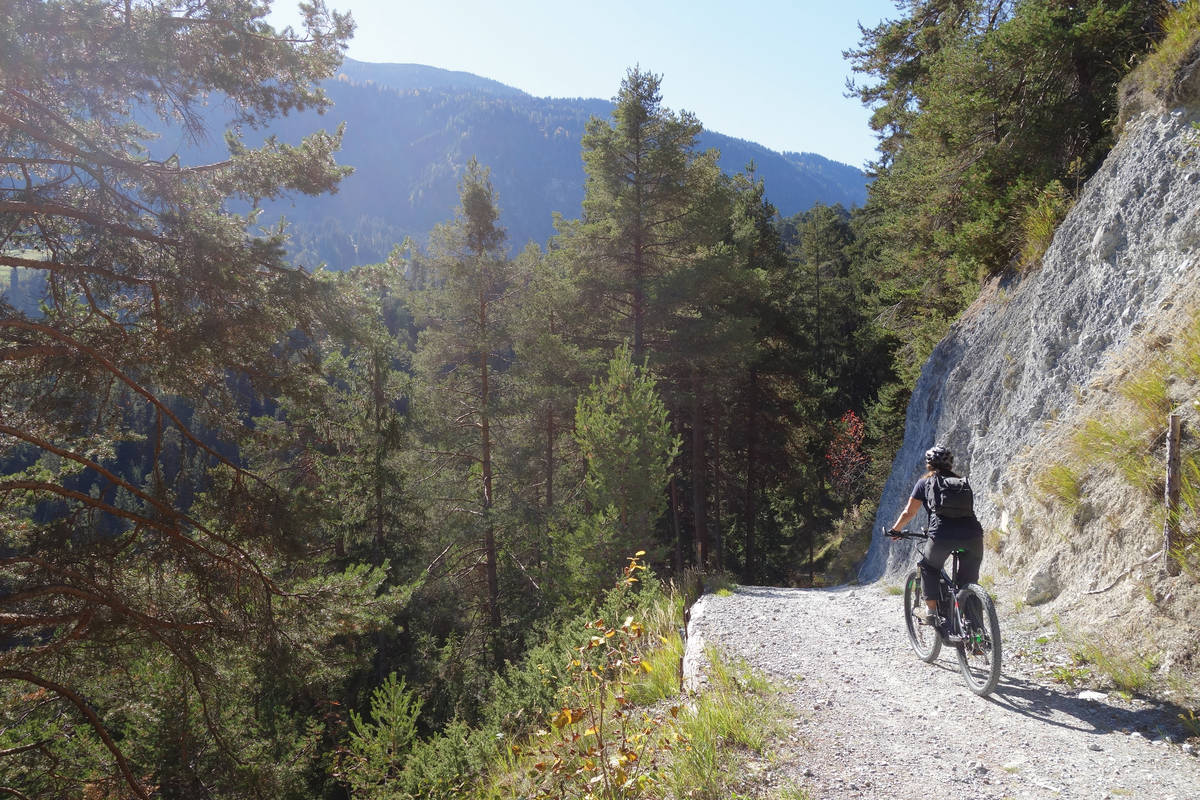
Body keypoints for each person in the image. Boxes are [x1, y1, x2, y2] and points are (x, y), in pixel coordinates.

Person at [887, 445, 984, 625]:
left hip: (942, 535)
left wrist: (896, 529)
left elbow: (909, 512)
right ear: (950, 464)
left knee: (928, 568)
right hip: (973, 535)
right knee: (969, 582)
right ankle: (977, 633)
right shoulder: (962, 483)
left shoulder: (925, 483)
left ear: (929, 464)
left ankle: (931, 611)